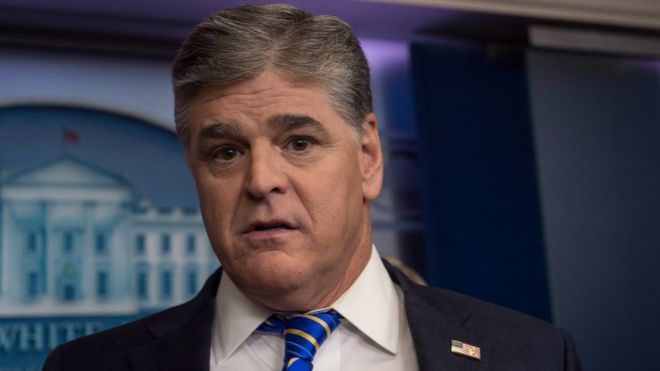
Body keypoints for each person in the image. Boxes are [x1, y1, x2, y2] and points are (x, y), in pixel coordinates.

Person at [43, 3, 581, 370]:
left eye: (298, 143)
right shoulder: (88, 366)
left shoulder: (530, 355)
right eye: (226, 152)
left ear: (368, 157)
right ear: (195, 172)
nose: (261, 182)